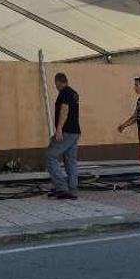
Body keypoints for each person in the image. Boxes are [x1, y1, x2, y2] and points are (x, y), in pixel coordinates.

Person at [46, 72, 80, 200]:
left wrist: (59, 129)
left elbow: (64, 111)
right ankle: (72, 188)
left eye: (56, 85)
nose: (56, 87)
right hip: (75, 132)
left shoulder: (64, 92)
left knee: (50, 156)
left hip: (67, 131)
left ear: (59, 82)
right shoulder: (74, 93)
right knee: (70, 160)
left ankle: (61, 187)